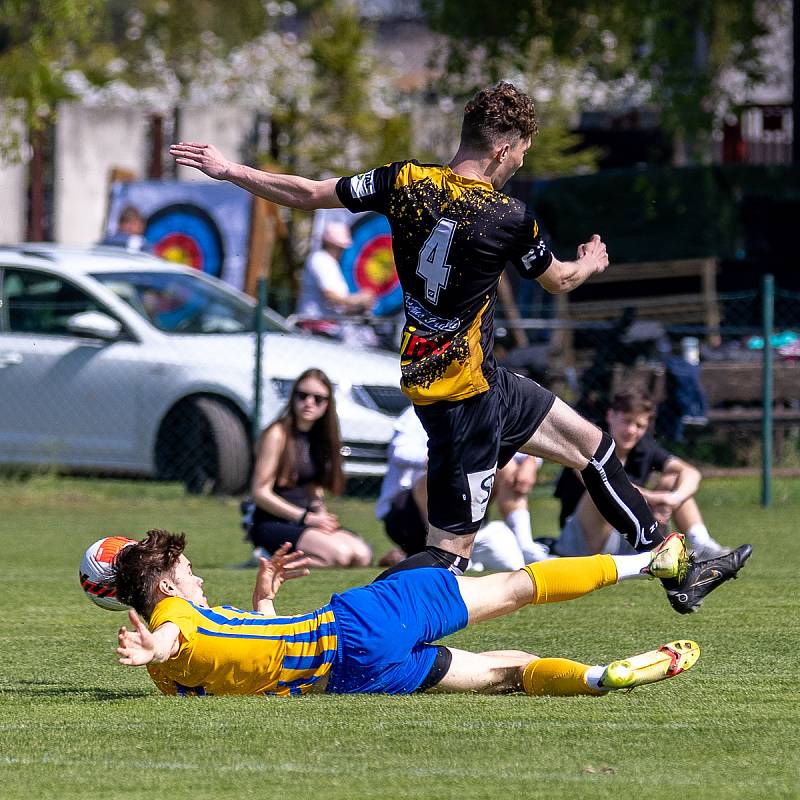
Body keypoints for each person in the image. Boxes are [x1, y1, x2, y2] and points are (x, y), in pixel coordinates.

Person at [169, 81, 750, 614]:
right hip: (464, 400)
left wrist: (230, 170)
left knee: (594, 447)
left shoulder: (403, 182)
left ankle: (679, 569)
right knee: (447, 557)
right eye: (521, 151)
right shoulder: (508, 217)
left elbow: (308, 192)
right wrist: (591, 262)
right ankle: (337, 625)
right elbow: (560, 281)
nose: (521, 162)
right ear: (502, 150)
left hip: (463, 380)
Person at [114, 528, 700, 697]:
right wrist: (154, 641)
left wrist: (265, 599)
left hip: (350, 678)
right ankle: (654, 561)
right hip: (360, 622)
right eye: (189, 571)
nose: (199, 576)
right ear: (165, 584)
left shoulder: (173, 679)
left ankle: (599, 678)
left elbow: (250, 657)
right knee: (516, 587)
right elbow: (171, 634)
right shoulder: (172, 619)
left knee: (509, 671)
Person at [554, 388, 730, 563]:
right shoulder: (589, 440)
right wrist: (653, 499)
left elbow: (691, 472)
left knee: (673, 479)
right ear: (610, 416)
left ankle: (704, 545)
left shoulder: (643, 447)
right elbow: (605, 483)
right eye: (626, 421)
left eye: (640, 426)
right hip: (582, 543)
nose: (631, 430)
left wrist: (673, 499)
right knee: (599, 492)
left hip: (628, 536)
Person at [375, 406, 548, 570]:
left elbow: (514, 446)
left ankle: (525, 546)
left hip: (466, 512)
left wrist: (531, 461)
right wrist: (441, 458)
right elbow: (399, 451)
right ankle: (450, 552)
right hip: (408, 514)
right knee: (439, 473)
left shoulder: (481, 408)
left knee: (506, 466)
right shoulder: (418, 411)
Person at [245, 368, 372, 568]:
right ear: (293, 397)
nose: (309, 402)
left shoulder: (319, 437)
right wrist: (306, 518)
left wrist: (320, 515)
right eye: (302, 395)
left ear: (327, 405)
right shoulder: (277, 433)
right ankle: (268, 558)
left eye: (318, 399)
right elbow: (260, 492)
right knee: (340, 556)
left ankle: (276, 560)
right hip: (273, 522)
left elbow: (314, 488)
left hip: (306, 521)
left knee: (361, 555)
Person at [295, 221, 375, 341]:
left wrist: (359, 306)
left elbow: (337, 306)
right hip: (317, 330)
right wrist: (359, 299)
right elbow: (331, 296)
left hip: (330, 329)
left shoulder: (331, 263)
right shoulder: (321, 260)